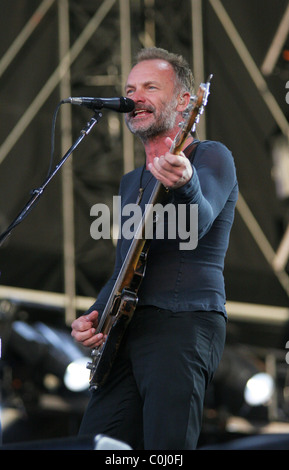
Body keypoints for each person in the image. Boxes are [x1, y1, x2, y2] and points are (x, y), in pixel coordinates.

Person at [71, 47, 238, 450]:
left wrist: (187, 183)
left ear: (184, 102)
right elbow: (124, 266)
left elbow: (198, 223)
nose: (135, 96)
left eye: (149, 86)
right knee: (96, 444)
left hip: (184, 322)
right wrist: (94, 316)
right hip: (126, 331)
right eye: (129, 88)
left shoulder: (210, 156)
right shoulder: (131, 182)